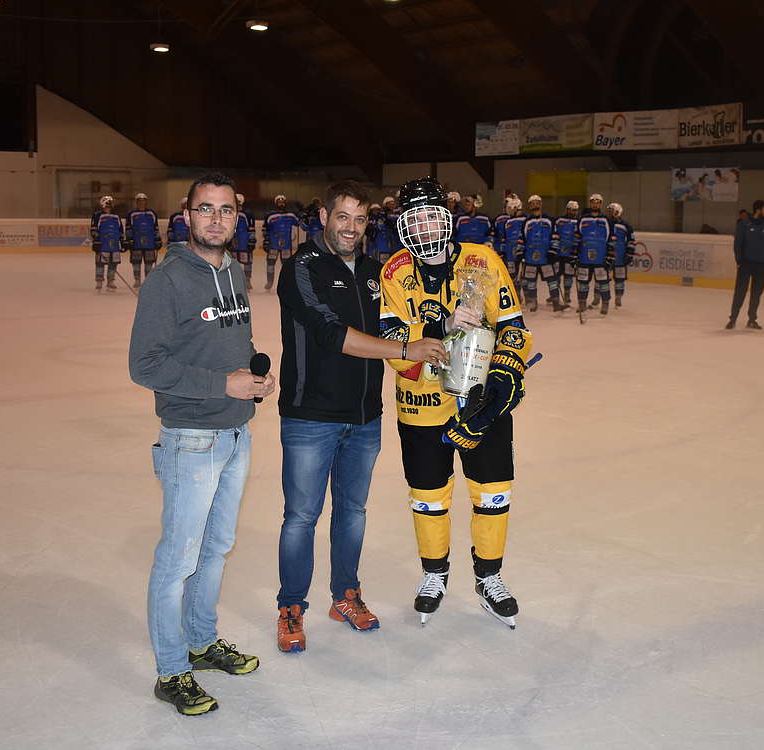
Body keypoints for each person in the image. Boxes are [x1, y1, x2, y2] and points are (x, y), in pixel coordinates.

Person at [274, 180, 446, 653]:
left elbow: (409, 318)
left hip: (366, 416)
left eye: (360, 218)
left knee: (352, 512)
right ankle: (291, 606)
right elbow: (331, 334)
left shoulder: (375, 272)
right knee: (301, 517)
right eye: (342, 217)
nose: (351, 227)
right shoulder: (301, 269)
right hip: (311, 416)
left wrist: (453, 324)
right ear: (324, 217)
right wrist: (407, 349)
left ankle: (345, 595)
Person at [128, 173, 276, 716]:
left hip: (236, 431)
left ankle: (200, 640)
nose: (216, 219)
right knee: (179, 559)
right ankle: (172, 669)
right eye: (205, 209)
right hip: (191, 438)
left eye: (226, 210)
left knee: (215, 549)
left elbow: (234, 339)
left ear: (238, 217)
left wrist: (254, 376)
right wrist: (221, 385)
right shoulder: (167, 281)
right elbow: (144, 365)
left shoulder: (233, 270)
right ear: (187, 216)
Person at [378, 176, 533, 629]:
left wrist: (504, 374)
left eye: (431, 216)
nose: (424, 228)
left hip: (481, 404)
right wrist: (440, 327)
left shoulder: (483, 260)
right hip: (421, 404)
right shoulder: (394, 272)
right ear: (402, 226)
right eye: (414, 220)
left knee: (493, 490)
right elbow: (393, 344)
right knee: (427, 495)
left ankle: (489, 577)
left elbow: (514, 326)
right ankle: (434, 573)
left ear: (446, 217)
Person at [726, 200, 764, 330]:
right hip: (745, 264)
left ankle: (752, 319)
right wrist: (739, 261)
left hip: (761, 266)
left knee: (756, 294)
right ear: (758, 210)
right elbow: (737, 244)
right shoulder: (744, 224)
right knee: (740, 292)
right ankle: (733, 319)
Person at [520, 194, 567, 312]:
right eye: (532, 203)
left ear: (541, 204)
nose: (535, 205)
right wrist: (521, 252)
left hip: (546, 256)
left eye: (537, 203)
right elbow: (522, 239)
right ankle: (533, 303)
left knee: (552, 280)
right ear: (529, 206)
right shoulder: (526, 222)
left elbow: (555, 236)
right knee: (531, 281)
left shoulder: (549, 220)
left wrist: (553, 251)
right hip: (530, 257)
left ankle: (556, 302)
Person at [576, 194, 611, 320]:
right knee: (583, 283)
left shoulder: (606, 220)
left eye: (598, 202)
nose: (595, 204)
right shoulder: (582, 219)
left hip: (601, 258)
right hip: (584, 258)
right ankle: (582, 304)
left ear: (601, 204)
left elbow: (611, 239)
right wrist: (574, 254)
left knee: (603, 283)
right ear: (590, 203)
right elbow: (577, 237)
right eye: (593, 202)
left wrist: (610, 256)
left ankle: (605, 303)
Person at [263, 195, 301, 291]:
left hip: (286, 245)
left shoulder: (291, 215)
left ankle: (286, 282)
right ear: (276, 203)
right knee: (270, 263)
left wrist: (300, 212)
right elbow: (265, 229)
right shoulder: (270, 215)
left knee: (286, 265)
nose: (281, 204)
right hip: (273, 244)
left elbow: (299, 223)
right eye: (279, 202)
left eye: (283, 202)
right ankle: (269, 282)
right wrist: (266, 240)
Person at [124, 192, 162, 288]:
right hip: (136, 242)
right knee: (136, 262)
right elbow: (128, 228)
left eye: (143, 201)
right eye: (139, 201)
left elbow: (155, 227)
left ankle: (148, 280)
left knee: (149, 262)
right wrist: (129, 239)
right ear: (136, 202)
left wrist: (157, 239)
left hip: (150, 242)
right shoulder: (131, 214)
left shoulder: (151, 213)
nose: (141, 203)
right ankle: (137, 280)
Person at [90, 195, 124, 292]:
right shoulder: (97, 215)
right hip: (102, 242)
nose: (110, 205)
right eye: (108, 203)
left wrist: (122, 240)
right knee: (100, 263)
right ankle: (99, 281)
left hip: (114, 243)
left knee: (113, 263)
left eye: (111, 203)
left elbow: (120, 229)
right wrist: (96, 239)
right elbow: (93, 228)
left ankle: (111, 281)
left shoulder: (116, 216)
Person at [496, 195, 527, 300]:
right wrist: (502, 251)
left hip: (522, 253)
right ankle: (515, 297)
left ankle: (529, 298)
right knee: (512, 276)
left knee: (523, 277)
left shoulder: (525, 220)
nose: (508, 211)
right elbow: (504, 238)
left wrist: (522, 250)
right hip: (510, 254)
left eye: (510, 208)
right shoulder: (508, 222)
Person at [606, 202, 635, 310]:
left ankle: (618, 298)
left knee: (620, 279)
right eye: (608, 211)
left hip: (620, 257)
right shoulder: (605, 223)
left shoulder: (626, 226)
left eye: (611, 211)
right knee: (602, 278)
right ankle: (598, 299)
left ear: (617, 212)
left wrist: (629, 254)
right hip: (607, 256)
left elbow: (631, 241)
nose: (609, 213)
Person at [554, 200, 580, 306]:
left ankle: (567, 294)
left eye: (575, 210)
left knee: (569, 275)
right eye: (571, 209)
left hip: (571, 253)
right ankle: (555, 294)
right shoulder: (559, 220)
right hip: (559, 253)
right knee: (557, 274)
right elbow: (554, 233)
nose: (573, 212)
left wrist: (577, 250)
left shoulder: (579, 221)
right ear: (567, 209)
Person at [233, 193, 257, 289]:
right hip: (233, 242)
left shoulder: (248, 214)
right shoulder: (230, 212)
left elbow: (251, 229)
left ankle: (247, 280)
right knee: (233, 263)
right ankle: (235, 282)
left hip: (244, 242)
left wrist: (251, 240)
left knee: (247, 262)